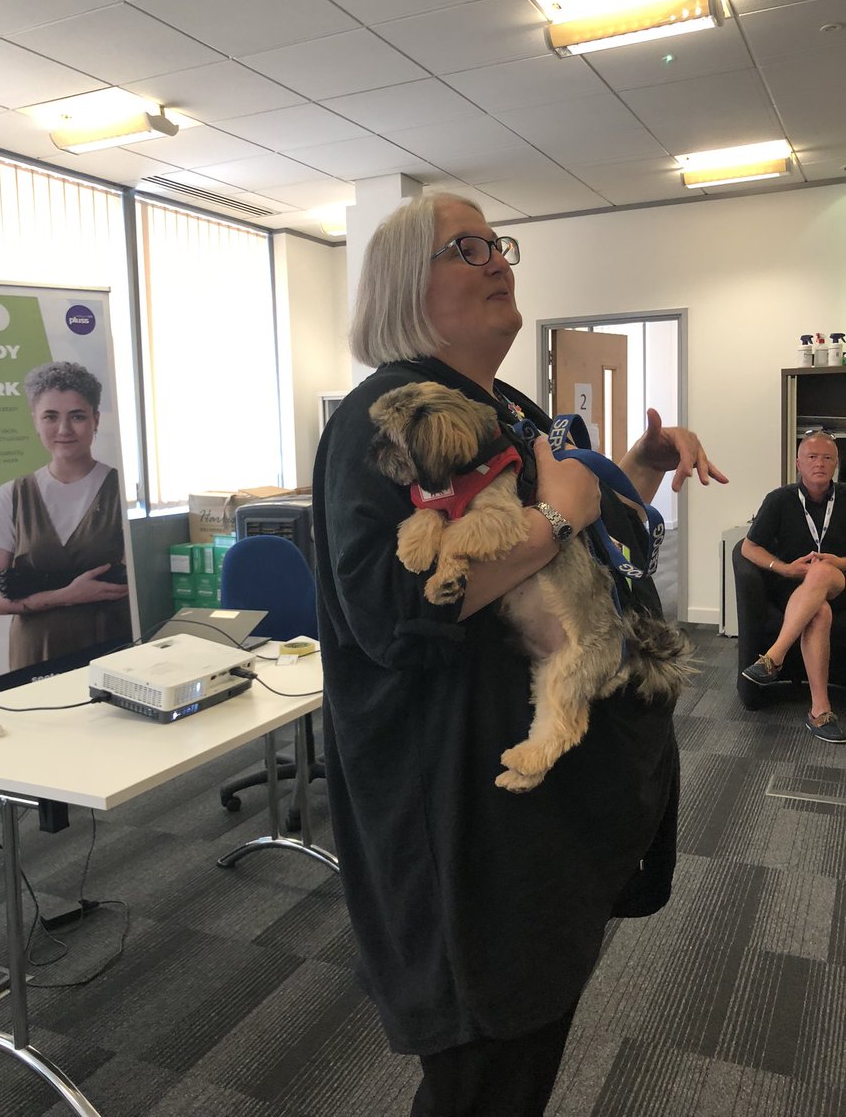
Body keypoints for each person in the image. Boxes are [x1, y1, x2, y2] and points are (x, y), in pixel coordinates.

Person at [312, 192, 727, 1116]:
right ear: (404, 286)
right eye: (466, 248)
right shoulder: (386, 416)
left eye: (497, 242)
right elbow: (392, 610)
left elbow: (587, 547)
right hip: (470, 819)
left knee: (526, 1052)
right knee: (486, 1070)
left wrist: (640, 467)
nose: (498, 259)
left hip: (547, 819)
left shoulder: (509, 406)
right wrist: (552, 520)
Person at [0, 360, 131, 673]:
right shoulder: (12, 496)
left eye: (77, 416)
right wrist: (66, 596)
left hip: (108, 648)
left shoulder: (122, 493)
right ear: (35, 421)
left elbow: (133, 583)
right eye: (50, 416)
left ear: (95, 419)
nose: (64, 429)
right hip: (35, 652)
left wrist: (37, 588)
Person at [740, 430, 846, 741]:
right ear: (798, 463)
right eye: (812, 457)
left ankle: (774, 656)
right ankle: (819, 711)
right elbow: (748, 547)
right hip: (794, 588)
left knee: (821, 571)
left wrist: (837, 562)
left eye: (827, 458)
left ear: (836, 464)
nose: (819, 464)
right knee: (819, 613)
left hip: (840, 582)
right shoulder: (779, 499)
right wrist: (785, 568)